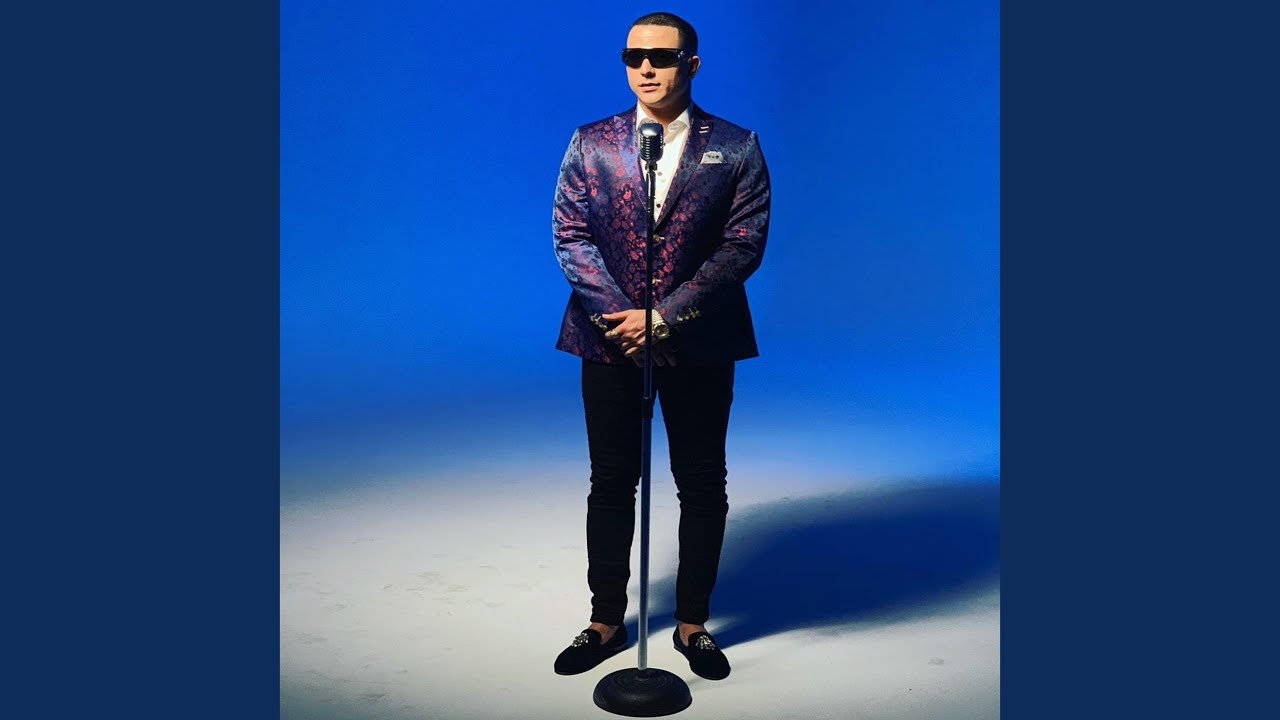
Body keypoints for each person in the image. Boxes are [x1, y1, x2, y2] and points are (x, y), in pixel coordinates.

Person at [550, 11, 770, 682]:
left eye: (663, 57)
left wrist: (666, 317)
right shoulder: (591, 142)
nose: (646, 68)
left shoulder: (735, 146)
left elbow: (743, 244)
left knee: (702, 481)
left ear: (691, 65)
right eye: (634, 56)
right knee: (611, 478)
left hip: (700, 339)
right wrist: (622, 316)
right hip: (609, 338)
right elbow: (570, 234)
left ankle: (693, 623)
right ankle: (605, 620)